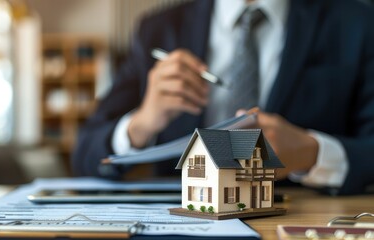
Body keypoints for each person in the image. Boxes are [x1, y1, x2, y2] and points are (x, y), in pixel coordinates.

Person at [73, 0, 374, 195]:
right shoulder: (158, 29)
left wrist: (313, 153)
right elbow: (86, 153)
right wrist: (143, 121)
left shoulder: (358, 23)